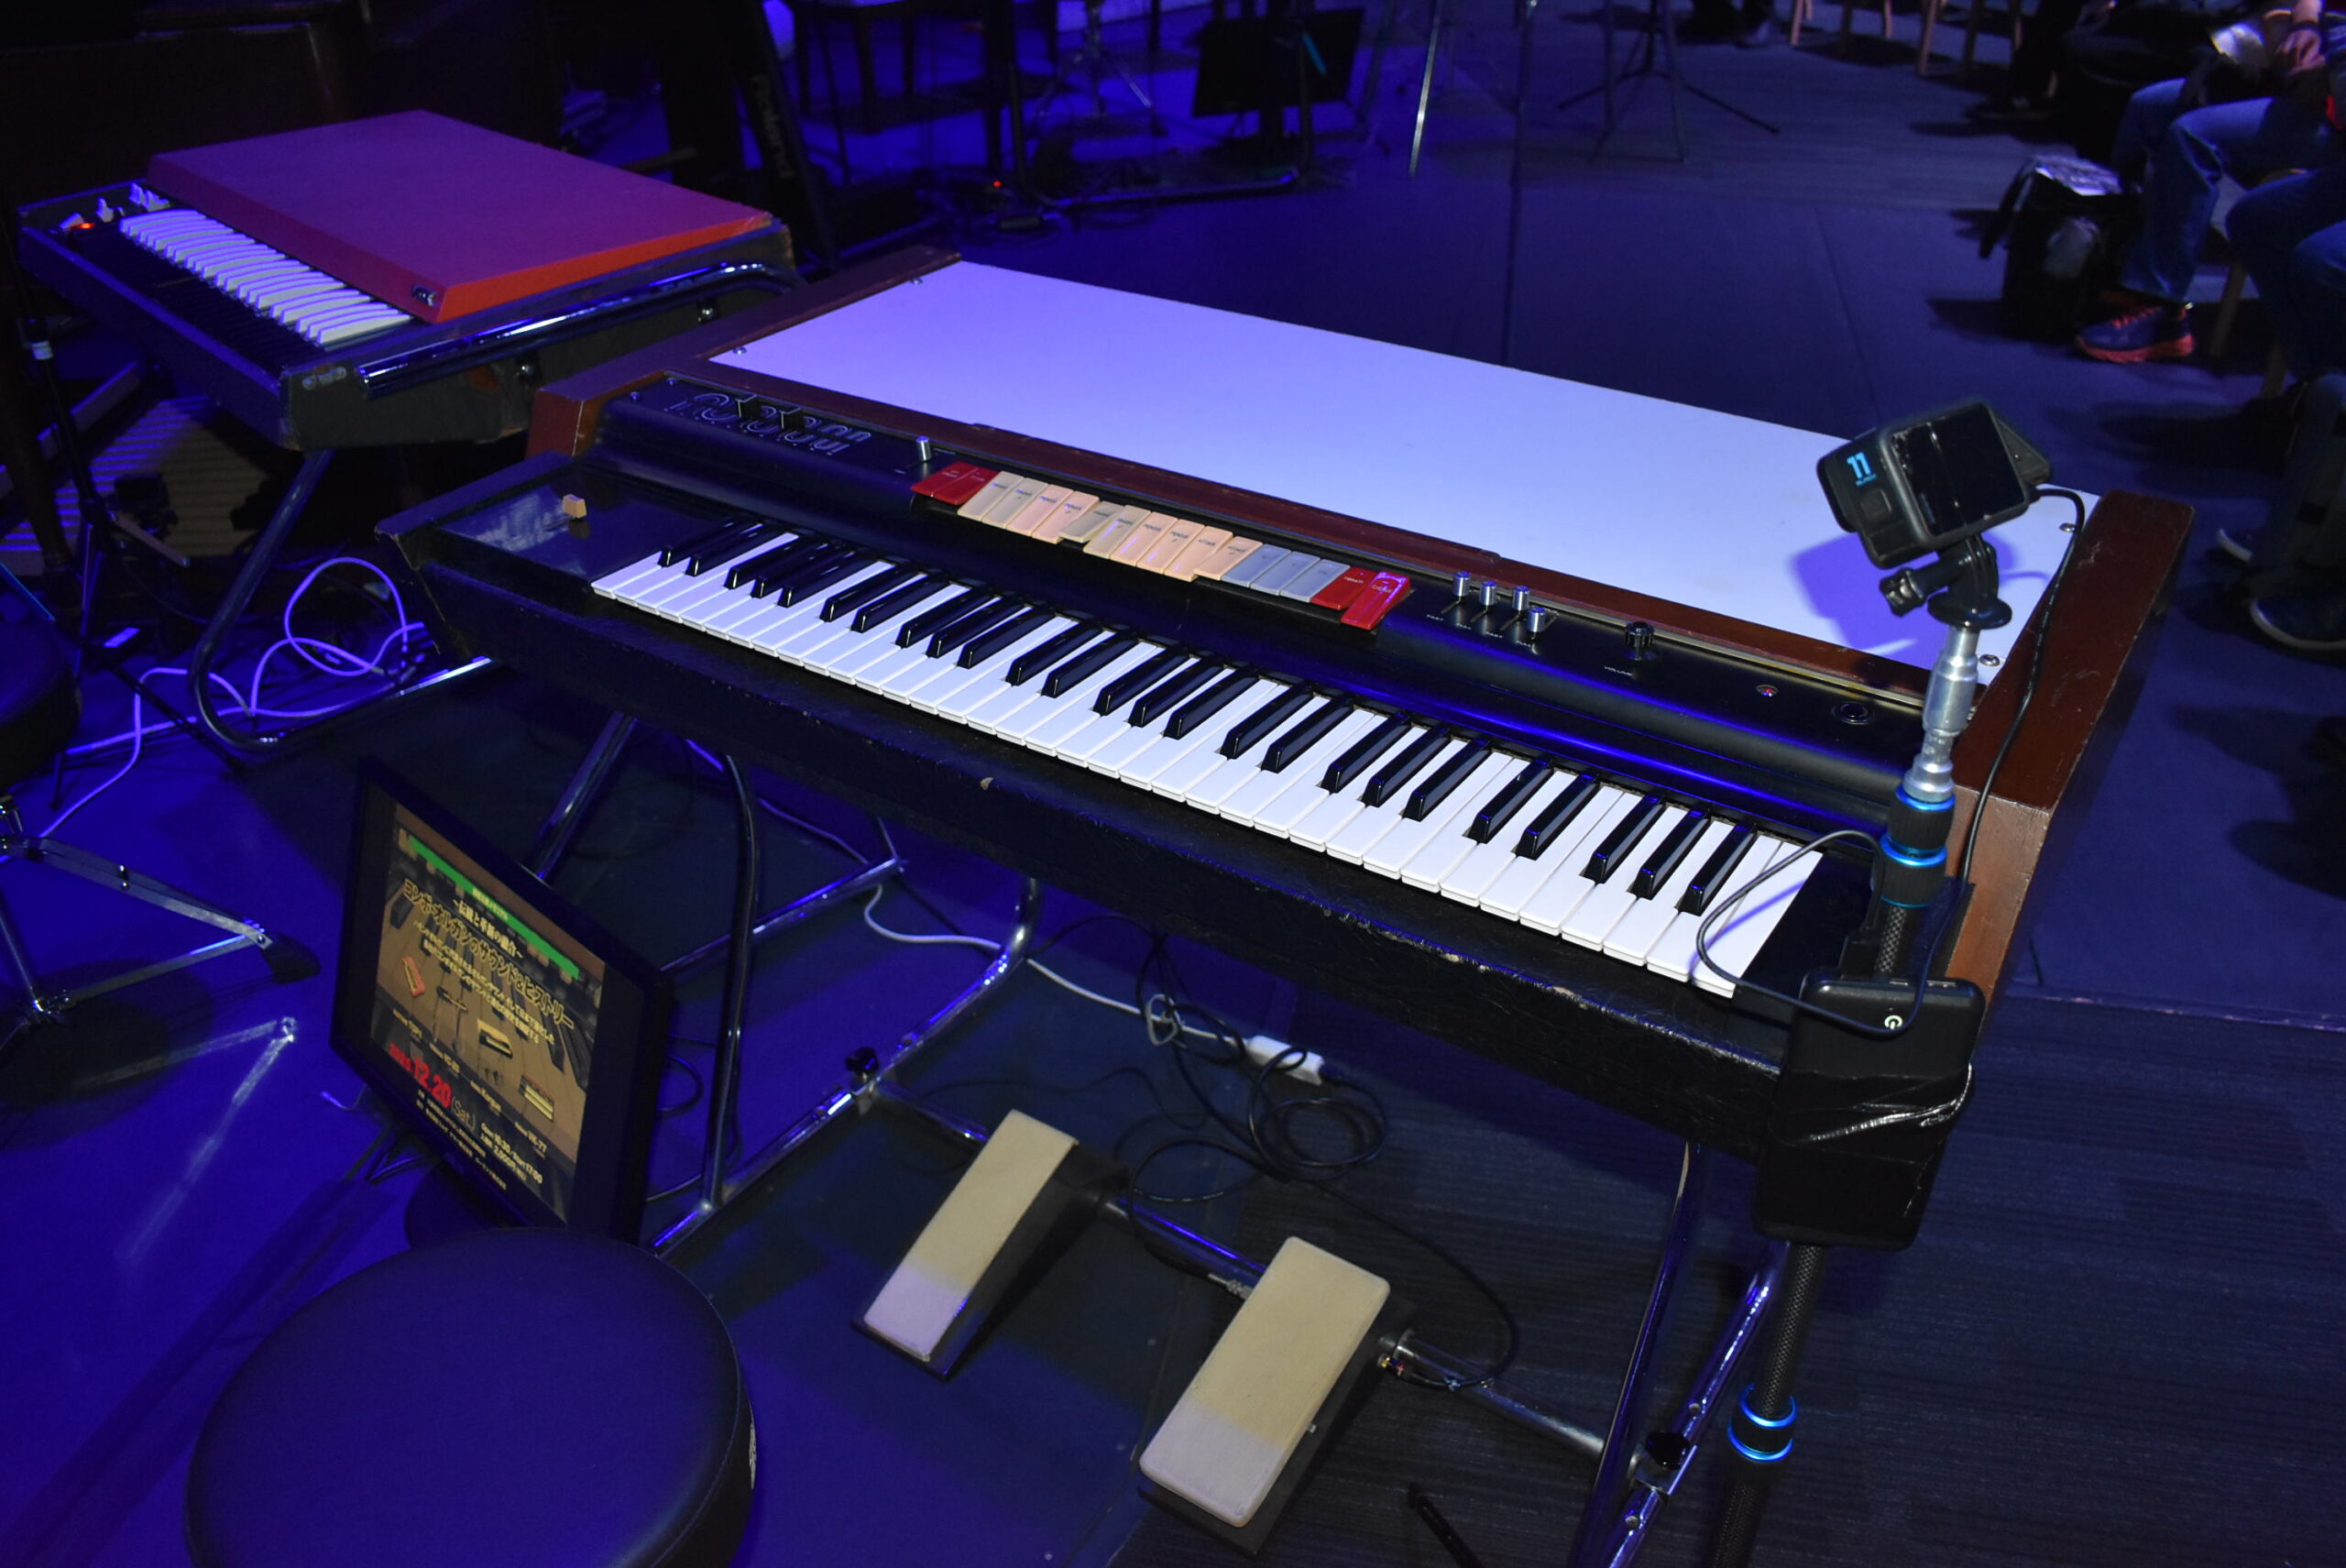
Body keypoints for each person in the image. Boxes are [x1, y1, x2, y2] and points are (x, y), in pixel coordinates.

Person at [2075, 0, 2338, 361]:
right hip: (2306, 82)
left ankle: (2162, 307)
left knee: (2194, 136)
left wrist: (2330, 72)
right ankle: (2122, 264)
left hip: (2334, 116)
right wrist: (2304, 27)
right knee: (2149, 107)